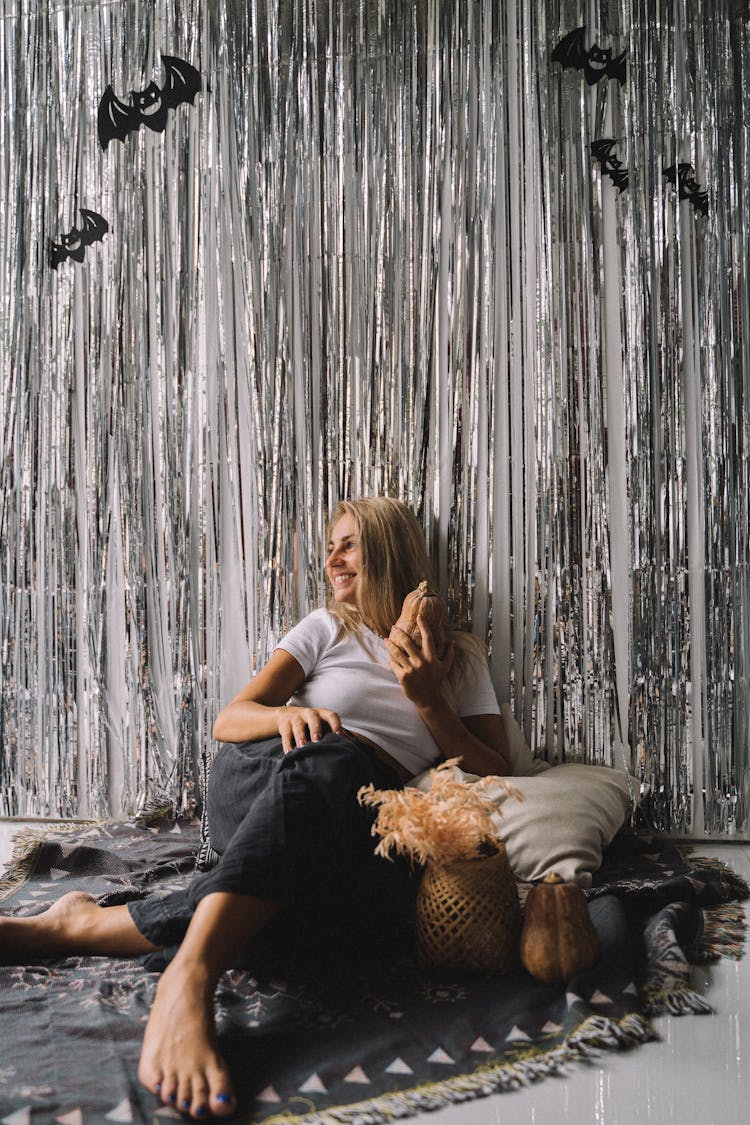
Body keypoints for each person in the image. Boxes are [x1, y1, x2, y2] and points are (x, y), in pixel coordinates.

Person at [0, 496, 509, 1119]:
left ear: (388, 548)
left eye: (347, 543)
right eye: (330, 546)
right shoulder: (326, 628)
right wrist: (290, 713)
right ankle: (188, 978)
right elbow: (230, 719)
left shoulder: (458, 655)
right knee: (335, 758)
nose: (332, 557)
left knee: (316, 922)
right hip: (262, 777)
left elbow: (497, 768)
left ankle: (76, 925)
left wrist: (428, 700)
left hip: (355, 812)